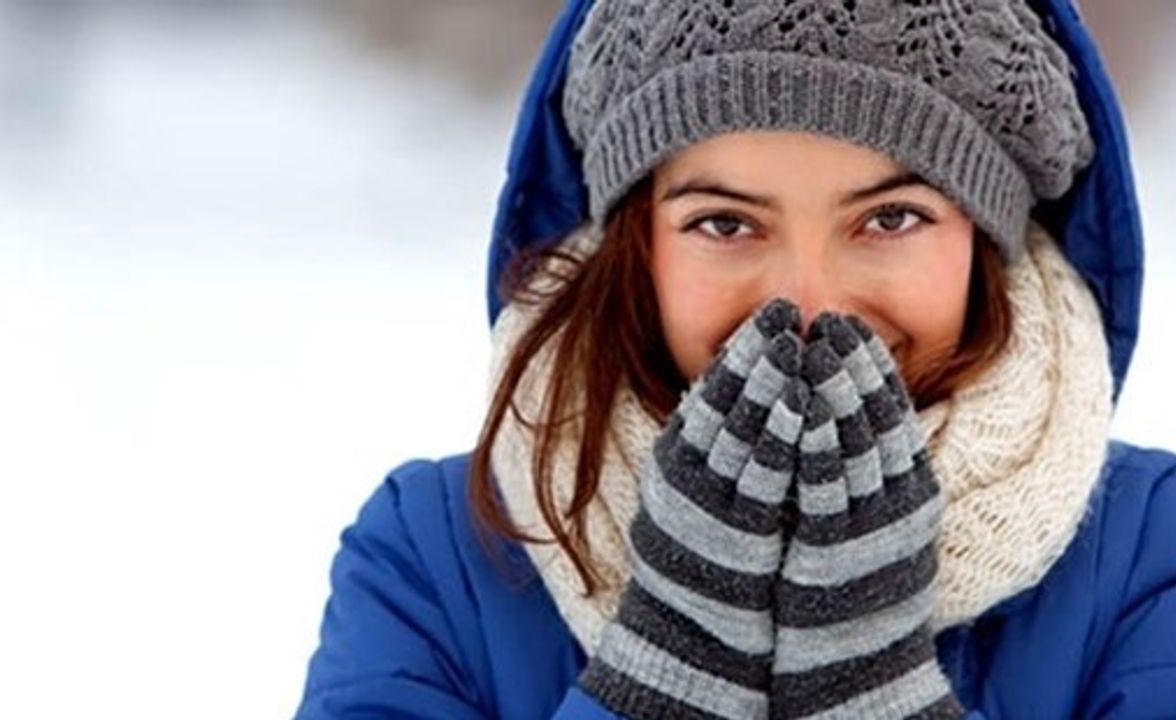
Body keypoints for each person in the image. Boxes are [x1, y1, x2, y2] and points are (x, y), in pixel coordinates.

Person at [295, 1, 1175, 717]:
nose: (811, 306)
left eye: (890, 218)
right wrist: (664, 676)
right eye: (724, 223)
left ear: (987, 240)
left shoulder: (1150, 552)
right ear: (636, 247)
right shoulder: (435, 560)